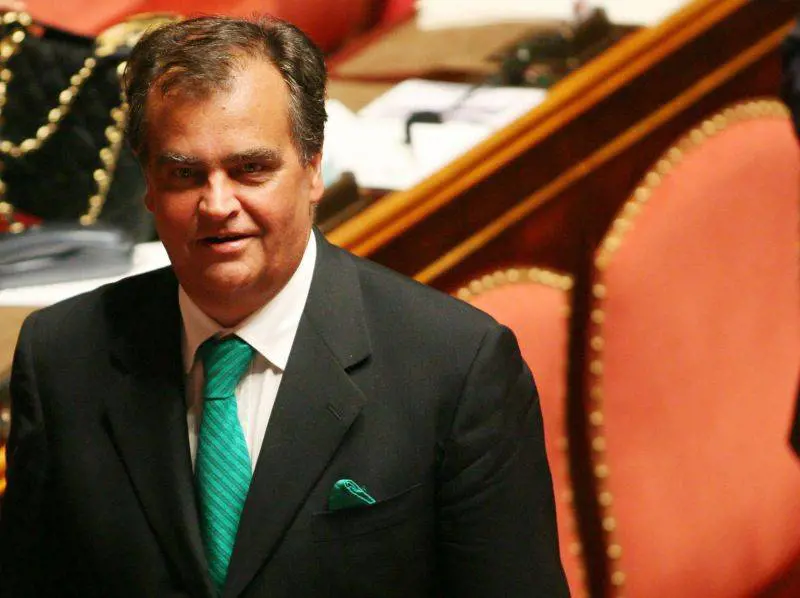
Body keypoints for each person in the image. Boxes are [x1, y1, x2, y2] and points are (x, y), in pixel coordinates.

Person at [0, 15, 568, 598]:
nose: (217, 204)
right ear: (148, 185)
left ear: (313, 168)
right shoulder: (61, 358)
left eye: (251, 169)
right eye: (185, 174)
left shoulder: (455, 368)